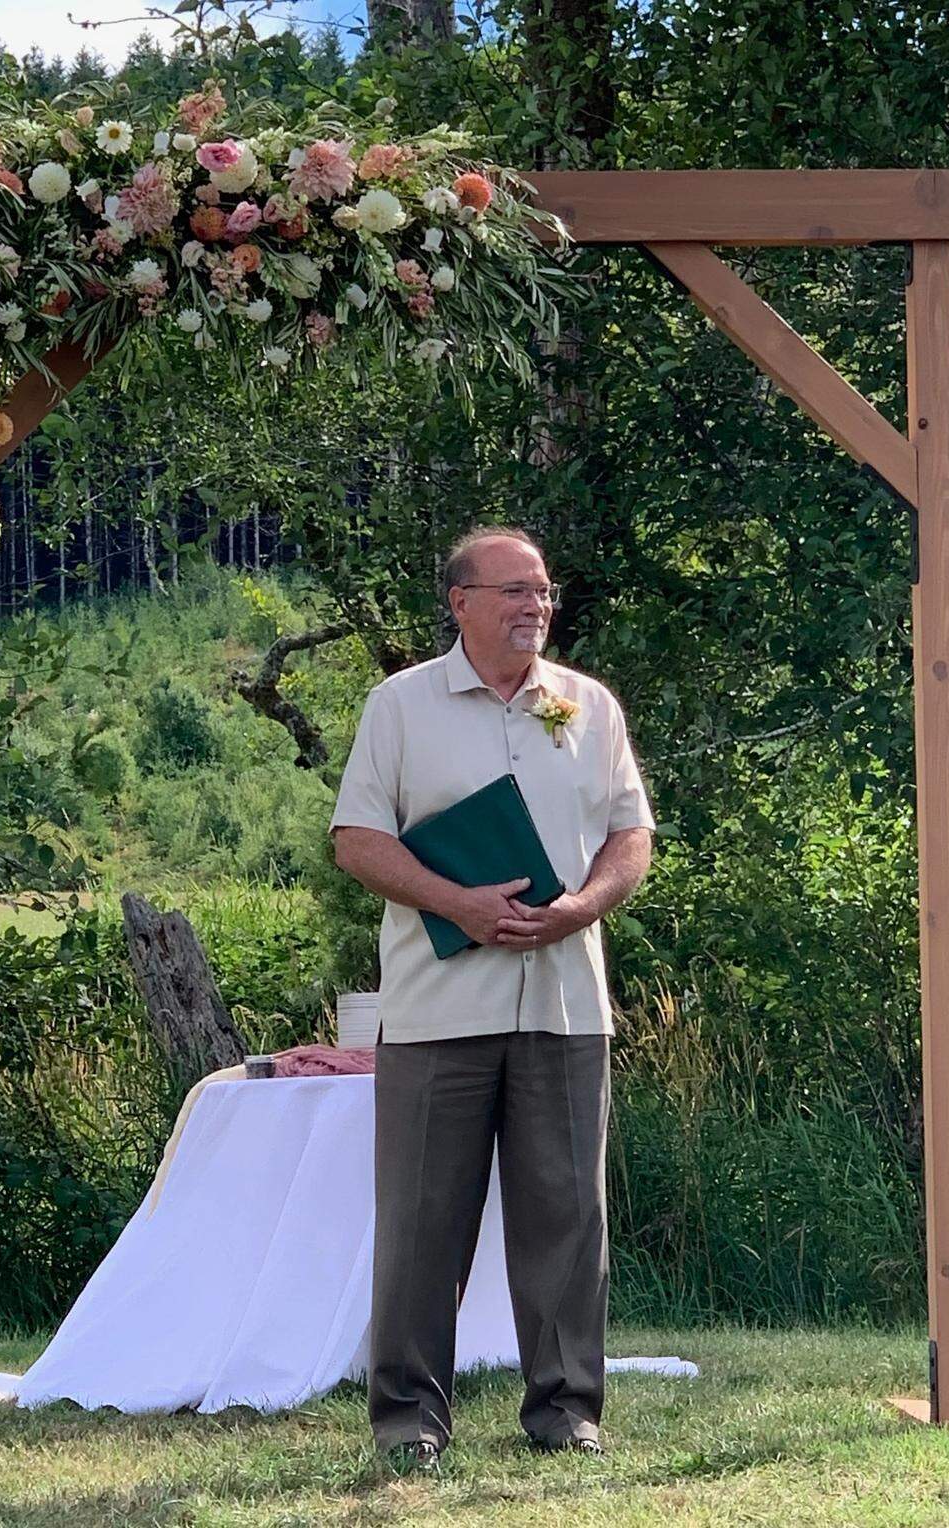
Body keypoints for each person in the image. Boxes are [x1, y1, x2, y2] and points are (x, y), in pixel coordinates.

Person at [329, 525, 656, 1474]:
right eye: (514, 591)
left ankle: (566, 1411)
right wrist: (456, 902)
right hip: (438, 1010)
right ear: (460, 602)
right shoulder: (400, 706)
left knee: (568, 1218)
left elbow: (631, 836)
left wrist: (582, 908)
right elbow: (357, 839)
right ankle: (409, 1421)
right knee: (422, 1224)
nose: (535, 607)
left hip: (564, 1005)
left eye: (543, 591)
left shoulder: (588, 707)